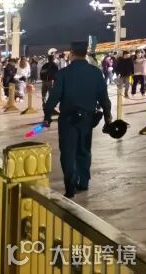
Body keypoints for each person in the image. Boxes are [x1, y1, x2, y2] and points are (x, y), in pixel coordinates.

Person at [43, 41, 113, 198]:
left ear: (72, 53)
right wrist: (108, 117)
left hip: (68, 120)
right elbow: (104, 98)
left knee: (68, 152)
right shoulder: (96, 73)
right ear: (86, 53)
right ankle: (84, 182)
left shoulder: (63, 74)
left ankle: (70, 186)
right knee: (84, 150)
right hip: (88, 119)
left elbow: (53, 98)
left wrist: (47, 116)